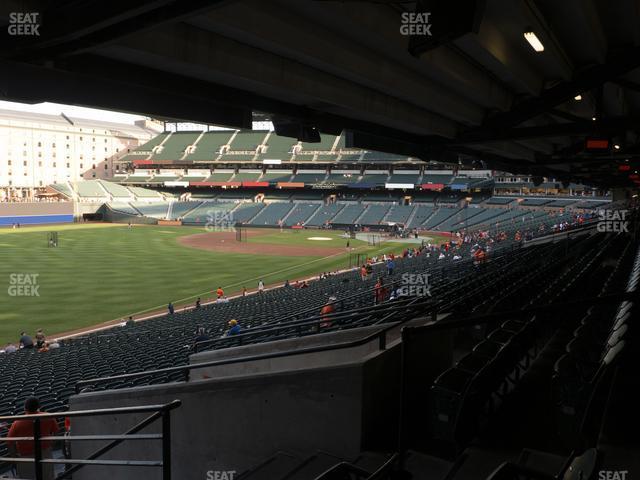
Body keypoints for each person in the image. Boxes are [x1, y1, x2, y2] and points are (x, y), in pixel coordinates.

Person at [7, 397, 59, 480]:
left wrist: (14, 457)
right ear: (38, 406)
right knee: (47, 476)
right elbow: (56, 431)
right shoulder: (48, 416)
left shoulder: (17, 422)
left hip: (26, 457)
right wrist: (52, 443)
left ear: (25, 407)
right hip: (45, 452)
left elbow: (9, 442)